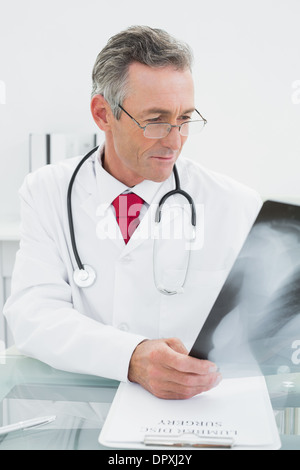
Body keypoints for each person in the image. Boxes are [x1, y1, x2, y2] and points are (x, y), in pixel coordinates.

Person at [3, 26, 262, 400]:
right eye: (155, 119)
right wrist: (130, 357)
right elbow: (32, 315)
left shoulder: (234, 203)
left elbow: (262, 331)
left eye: (185, 118)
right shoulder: (47, 192)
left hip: (193, 421)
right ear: (103, 114)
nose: (174, 140)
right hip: (85, 412)